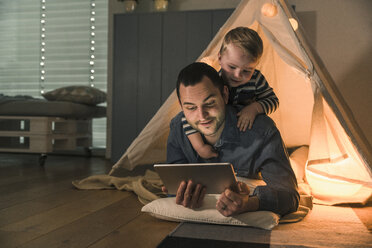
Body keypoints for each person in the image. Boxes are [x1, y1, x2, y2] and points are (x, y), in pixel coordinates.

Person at [167, 62, 299, 216]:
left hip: (281, 163)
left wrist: (250, 203)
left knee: (299, 163)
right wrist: (180, 194)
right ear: (181, 105)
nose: (202, 116)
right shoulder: (178, 127)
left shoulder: (263, 131)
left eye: (210, 104)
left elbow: (290, 196)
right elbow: (174, 184)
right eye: (190, 108)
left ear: (224, 94)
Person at [182, 27, 279, 159]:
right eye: (232, 67)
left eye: (247, 70)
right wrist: (200, 147)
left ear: (255, 66)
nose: (238, 75)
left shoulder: (256, 79)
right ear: (220, 59)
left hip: (246, 136)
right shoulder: (213, 82)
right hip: (217, 134)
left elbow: (273, 100)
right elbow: (187, 117)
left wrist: (254, 108)